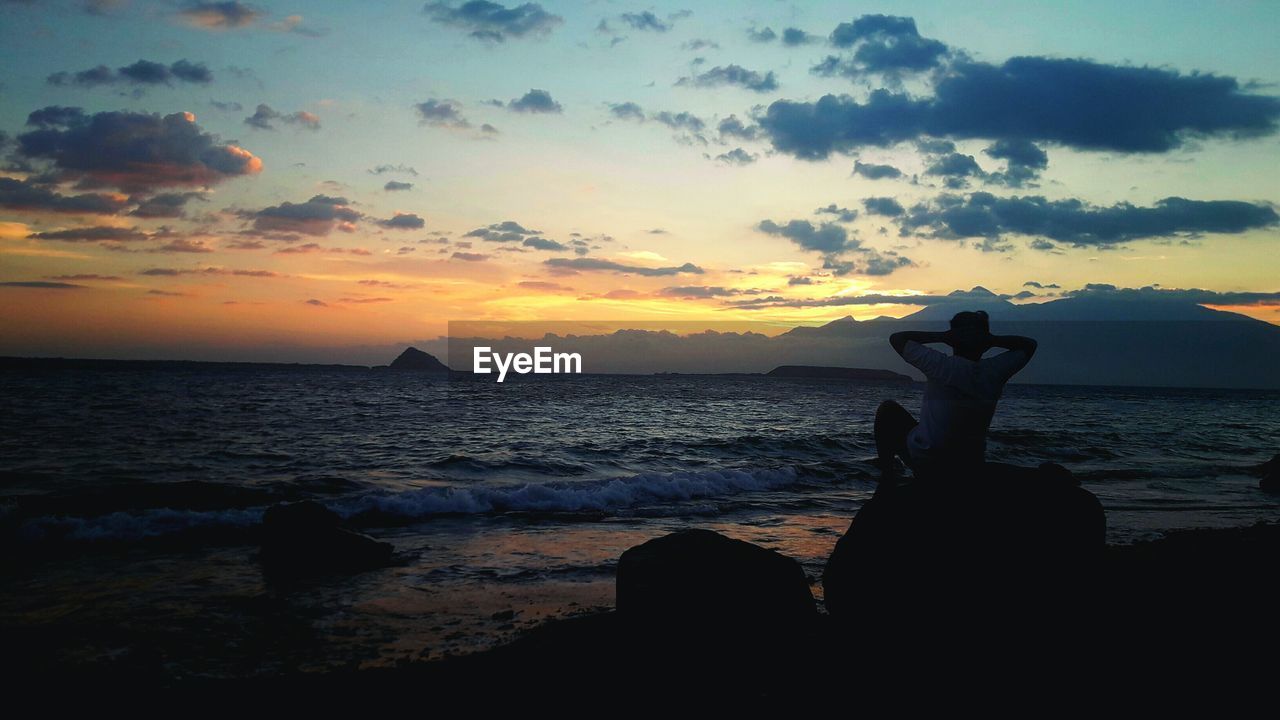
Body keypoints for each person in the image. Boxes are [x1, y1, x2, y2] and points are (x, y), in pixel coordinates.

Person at [875, 310, 1036, 480]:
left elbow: (897, 339)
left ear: (953, 338)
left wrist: (943, 336)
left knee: (888, 410)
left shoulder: (941, 366)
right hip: (969, 465)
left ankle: (887, 477)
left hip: (927, 462)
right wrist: (991, 339)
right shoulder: (995, 371)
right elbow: (1030, 345)